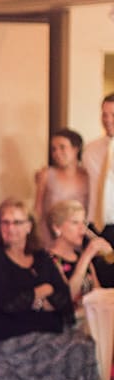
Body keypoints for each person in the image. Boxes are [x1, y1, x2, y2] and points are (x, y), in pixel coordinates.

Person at [0, 198, 97, 380]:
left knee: (95, 344)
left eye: (17, 222)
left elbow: (64, 298)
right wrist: (40, 292)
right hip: (16, 343)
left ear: (29, 226)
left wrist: (38, 300)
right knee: (81, 348)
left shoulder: (41, 257)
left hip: (48, 334)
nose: (10, 228)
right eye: (5, 222)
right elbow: (7, 304)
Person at [45, 199, 112, 319]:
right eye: (75, 223)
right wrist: (87, 256)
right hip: (67, 327)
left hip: (90, 321)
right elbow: (66, 298)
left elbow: (97, 293)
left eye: (84, 223)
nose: (83, 229)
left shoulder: (80, 256)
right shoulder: (49, 260)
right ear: (57, 228)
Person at [83, 93, 114, 284]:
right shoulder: (90, 150)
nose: (108, 120)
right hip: (98, 227)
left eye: (113, 114)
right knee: (101, 284)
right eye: (104, 114)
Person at [33, 128, 89, 225]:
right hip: (49, 233)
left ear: (76, 149)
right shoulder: (47, 174)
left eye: (62, 147)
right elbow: (37, 209)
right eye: (54, 149)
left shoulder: (87, 176)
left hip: (78, 233)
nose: (57, 153)